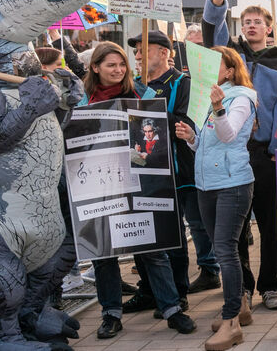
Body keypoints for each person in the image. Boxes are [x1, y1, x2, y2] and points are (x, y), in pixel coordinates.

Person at [83, 42, 197, 339]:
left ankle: (171, 308)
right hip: (101, 186)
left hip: (141, 184)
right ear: (95, 67)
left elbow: (159, 132)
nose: (118, 70)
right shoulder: (83, 100)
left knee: (152, 248)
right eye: (111, 65)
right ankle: (111, 314)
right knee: (104, 253)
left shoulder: (141, 93)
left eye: (122, 64)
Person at [203, 0, 277, 310]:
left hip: (264, 153)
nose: (251, 26)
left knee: (270, 224)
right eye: (246, 22)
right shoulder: (232, 57)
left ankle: (272, 285)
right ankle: (241, 287)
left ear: (269, 28)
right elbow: (212, 31)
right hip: (232, 151)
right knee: (235, 226)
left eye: (257, 22)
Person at [174, 47, 257, 351]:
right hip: (207, 183)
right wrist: (191, 138)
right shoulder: (207, 96)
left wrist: (219, 107)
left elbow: (228, 136)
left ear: (230, 71)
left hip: (233, 183)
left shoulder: (242, 97)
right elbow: (207, 144)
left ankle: (231, 321)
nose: (206, 68)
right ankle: (241, 307)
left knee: (224, 250)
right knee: (223, 247)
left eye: (214, 63)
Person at [124, 30, 212, 308]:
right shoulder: (134, 84)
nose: (138, 56)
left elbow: (184, 125)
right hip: (140, 171)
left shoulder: (182, 83)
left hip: (175, 170)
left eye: (144, 50)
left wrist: (149, 104)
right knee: (143, 233)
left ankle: (178, 293)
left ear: (164, 53)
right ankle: (149, 291)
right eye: (136, 51)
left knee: (173, 235)